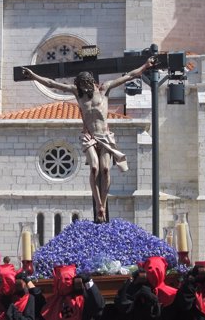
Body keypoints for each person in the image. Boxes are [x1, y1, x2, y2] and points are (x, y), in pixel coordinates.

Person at [22, 55, 157, 222]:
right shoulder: (78, 94)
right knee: (95, 168)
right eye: (82, 87)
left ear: (91, 82)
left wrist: (145, 66)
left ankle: (103, 206)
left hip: (105, 136)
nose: (85, 90)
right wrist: (34, 76)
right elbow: (52, 84)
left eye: (86, 86)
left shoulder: (104, 89)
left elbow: (128, 76)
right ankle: (99, 203)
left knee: (106, 169)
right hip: (89, 137)